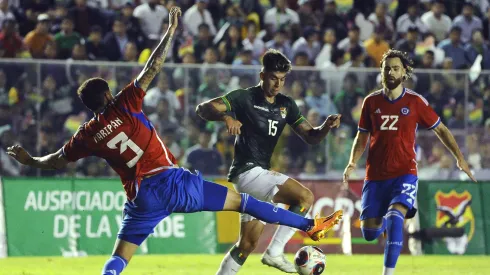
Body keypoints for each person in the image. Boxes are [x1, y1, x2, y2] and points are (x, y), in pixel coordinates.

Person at [6, 8, 340, 275]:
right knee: (244, 203)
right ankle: (308, 224)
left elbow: (58, 160)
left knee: (120, 257)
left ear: (88, 107)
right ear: (107, 93)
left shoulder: (87, 135)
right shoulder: (126, 102)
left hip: (141, 199)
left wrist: (30, 160)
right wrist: (170, 32)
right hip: (173, 182)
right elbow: (152, 68)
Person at [196, 48, 343, 274]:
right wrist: (226, 116)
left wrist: (325, 127)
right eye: (274, 78)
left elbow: (310, 137)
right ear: (262, 75)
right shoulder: (244, 97)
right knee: (305, 197)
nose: (278, 84)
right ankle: (274, 251)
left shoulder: (286, 104)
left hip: (258, 174)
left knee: (246, 245)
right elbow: (203, 109)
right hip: (247, 172)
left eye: (282, 80)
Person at [342, 49, 476, 275]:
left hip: (405, 172)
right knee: (370, 233)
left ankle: (388, 273)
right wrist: (352, 162)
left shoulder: (416, 102)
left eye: (396, 68)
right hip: (375, 175)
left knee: (395, 216)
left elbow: (440, 130)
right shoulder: (370, 102)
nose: (390, 72)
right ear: (381, 72)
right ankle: (385, 222)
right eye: (387, 68)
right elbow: (362, 134)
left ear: (404, 73)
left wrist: (459, 158)